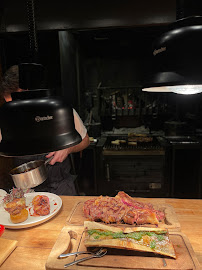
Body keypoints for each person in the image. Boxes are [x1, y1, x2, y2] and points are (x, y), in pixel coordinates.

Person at [0, 65, 90, 195]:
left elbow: (85, 140)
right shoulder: (7, 117)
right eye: (10, 104)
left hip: (61, 187)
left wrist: (68, 148)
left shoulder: (59, 110)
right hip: (26, 191)